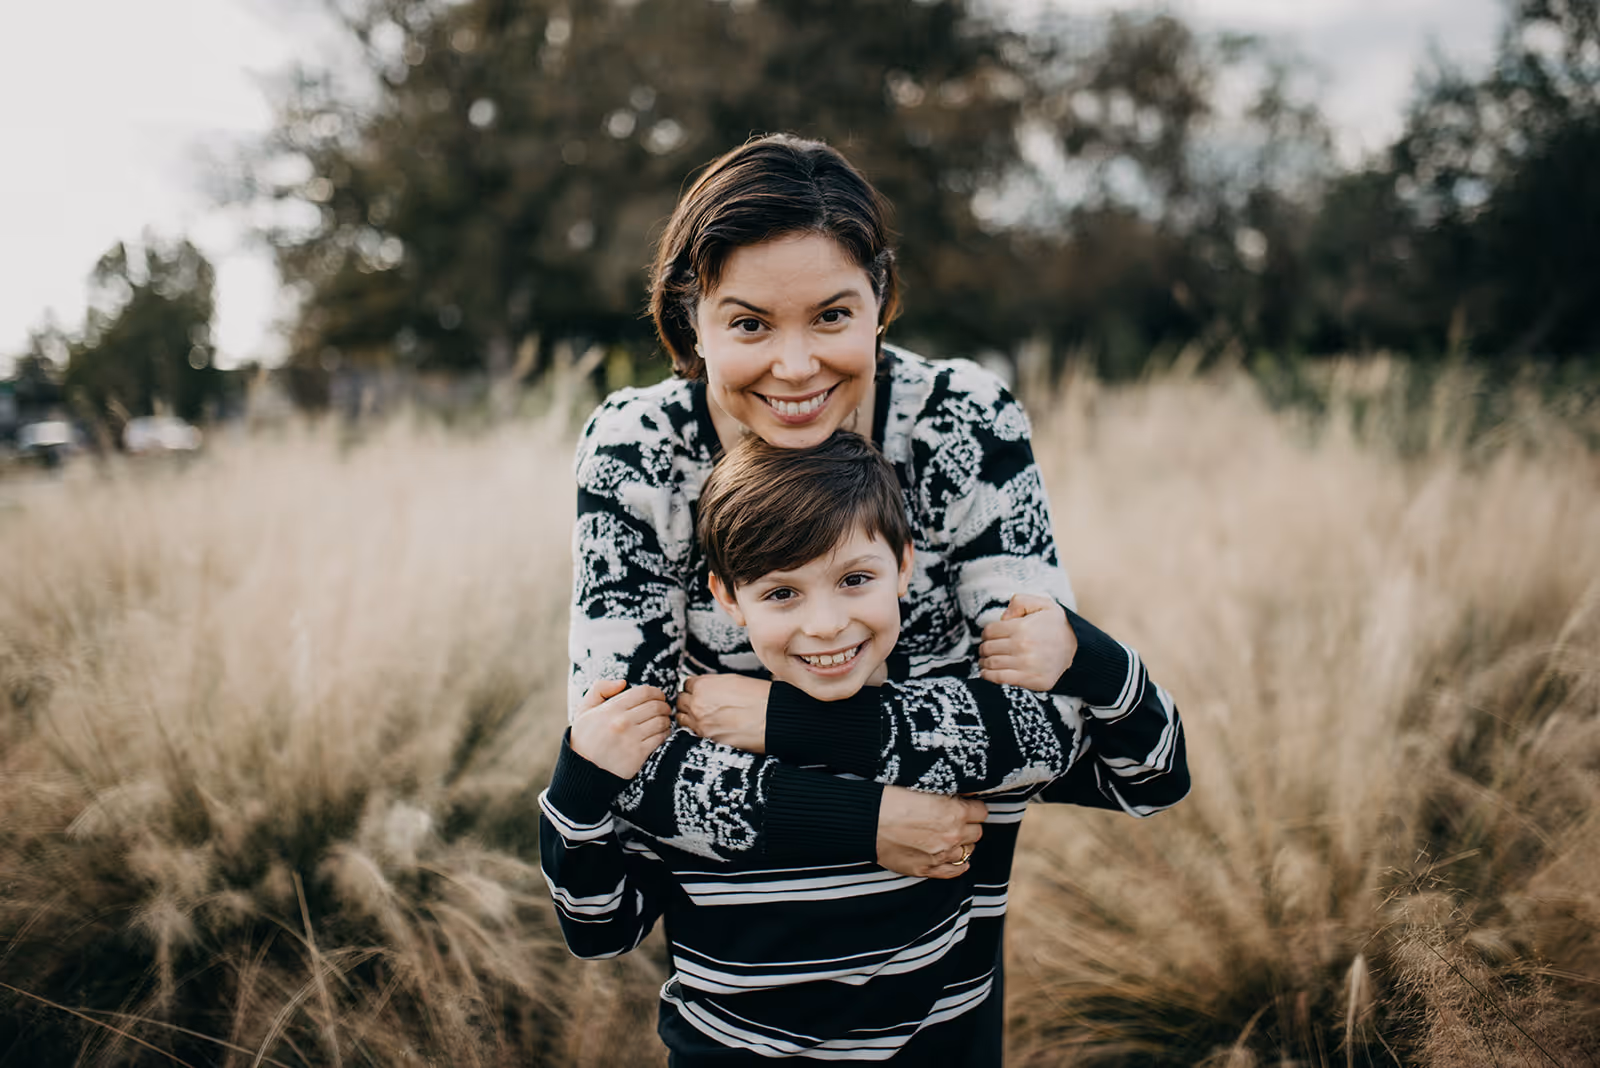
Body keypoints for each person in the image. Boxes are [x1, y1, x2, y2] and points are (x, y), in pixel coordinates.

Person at [542, 431, 1184, 1062]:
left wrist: (1084, 653)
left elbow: (1153, 779)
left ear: (904, 564)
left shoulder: (957, 740)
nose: (825, 623)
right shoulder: (702, 753)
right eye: (781, 593)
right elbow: (602, 929)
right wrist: (580, 782)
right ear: (728, 599)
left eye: (854, 579)